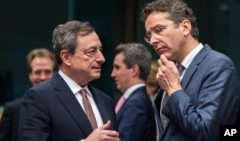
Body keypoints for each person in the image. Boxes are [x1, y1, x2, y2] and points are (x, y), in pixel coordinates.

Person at [140, 0, 239, 141]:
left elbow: (209, 132)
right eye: (149, 36)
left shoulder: (218, 65)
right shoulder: (171, 70)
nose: (153, 40)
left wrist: (174, 90)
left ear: (185, 27)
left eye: (159, 30)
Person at [19, 20, 119, 141]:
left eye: (100, 50)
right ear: (66, 57)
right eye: (91, 52)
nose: (101, 58)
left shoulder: (106, 101)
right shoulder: (39, 98)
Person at [0, 48, 56, 141]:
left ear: (54, 74)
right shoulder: (12, 109)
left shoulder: (66, 105)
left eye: (47, 72)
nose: (43, 77)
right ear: (30, 75)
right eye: (37, 72)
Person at [111, 43, 156, 141]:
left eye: (117, 67)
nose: (112, 74)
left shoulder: (136, 103)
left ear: (134, 70)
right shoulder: (135, 99)